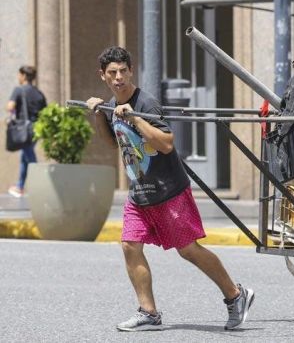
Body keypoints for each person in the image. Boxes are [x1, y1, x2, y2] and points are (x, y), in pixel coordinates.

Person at [86, 46, 253, 332]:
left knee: (188, 250)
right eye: (112, 73)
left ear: (131, 71)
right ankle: (148, 312)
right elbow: (113, 143)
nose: (118, 78)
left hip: (168, 191)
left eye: (123, 71)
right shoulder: (114, 105)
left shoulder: (146, 104)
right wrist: (100, 114)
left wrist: (136, 118)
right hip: (140, 193)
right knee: (129, 246)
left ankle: (236, 295)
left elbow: (166, 143)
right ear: (103, 75)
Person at [6, 66, 47, 198]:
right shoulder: (39, 93)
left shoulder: (19, 90)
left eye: (19, 75)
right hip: (36, 128)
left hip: (24, 128)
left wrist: (12, 114)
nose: (18, 77)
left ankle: (42, 183)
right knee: (25, 156)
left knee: (29, 157)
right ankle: (20, 186)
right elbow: (45, 111)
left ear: (23, 76)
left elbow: (10, 106)